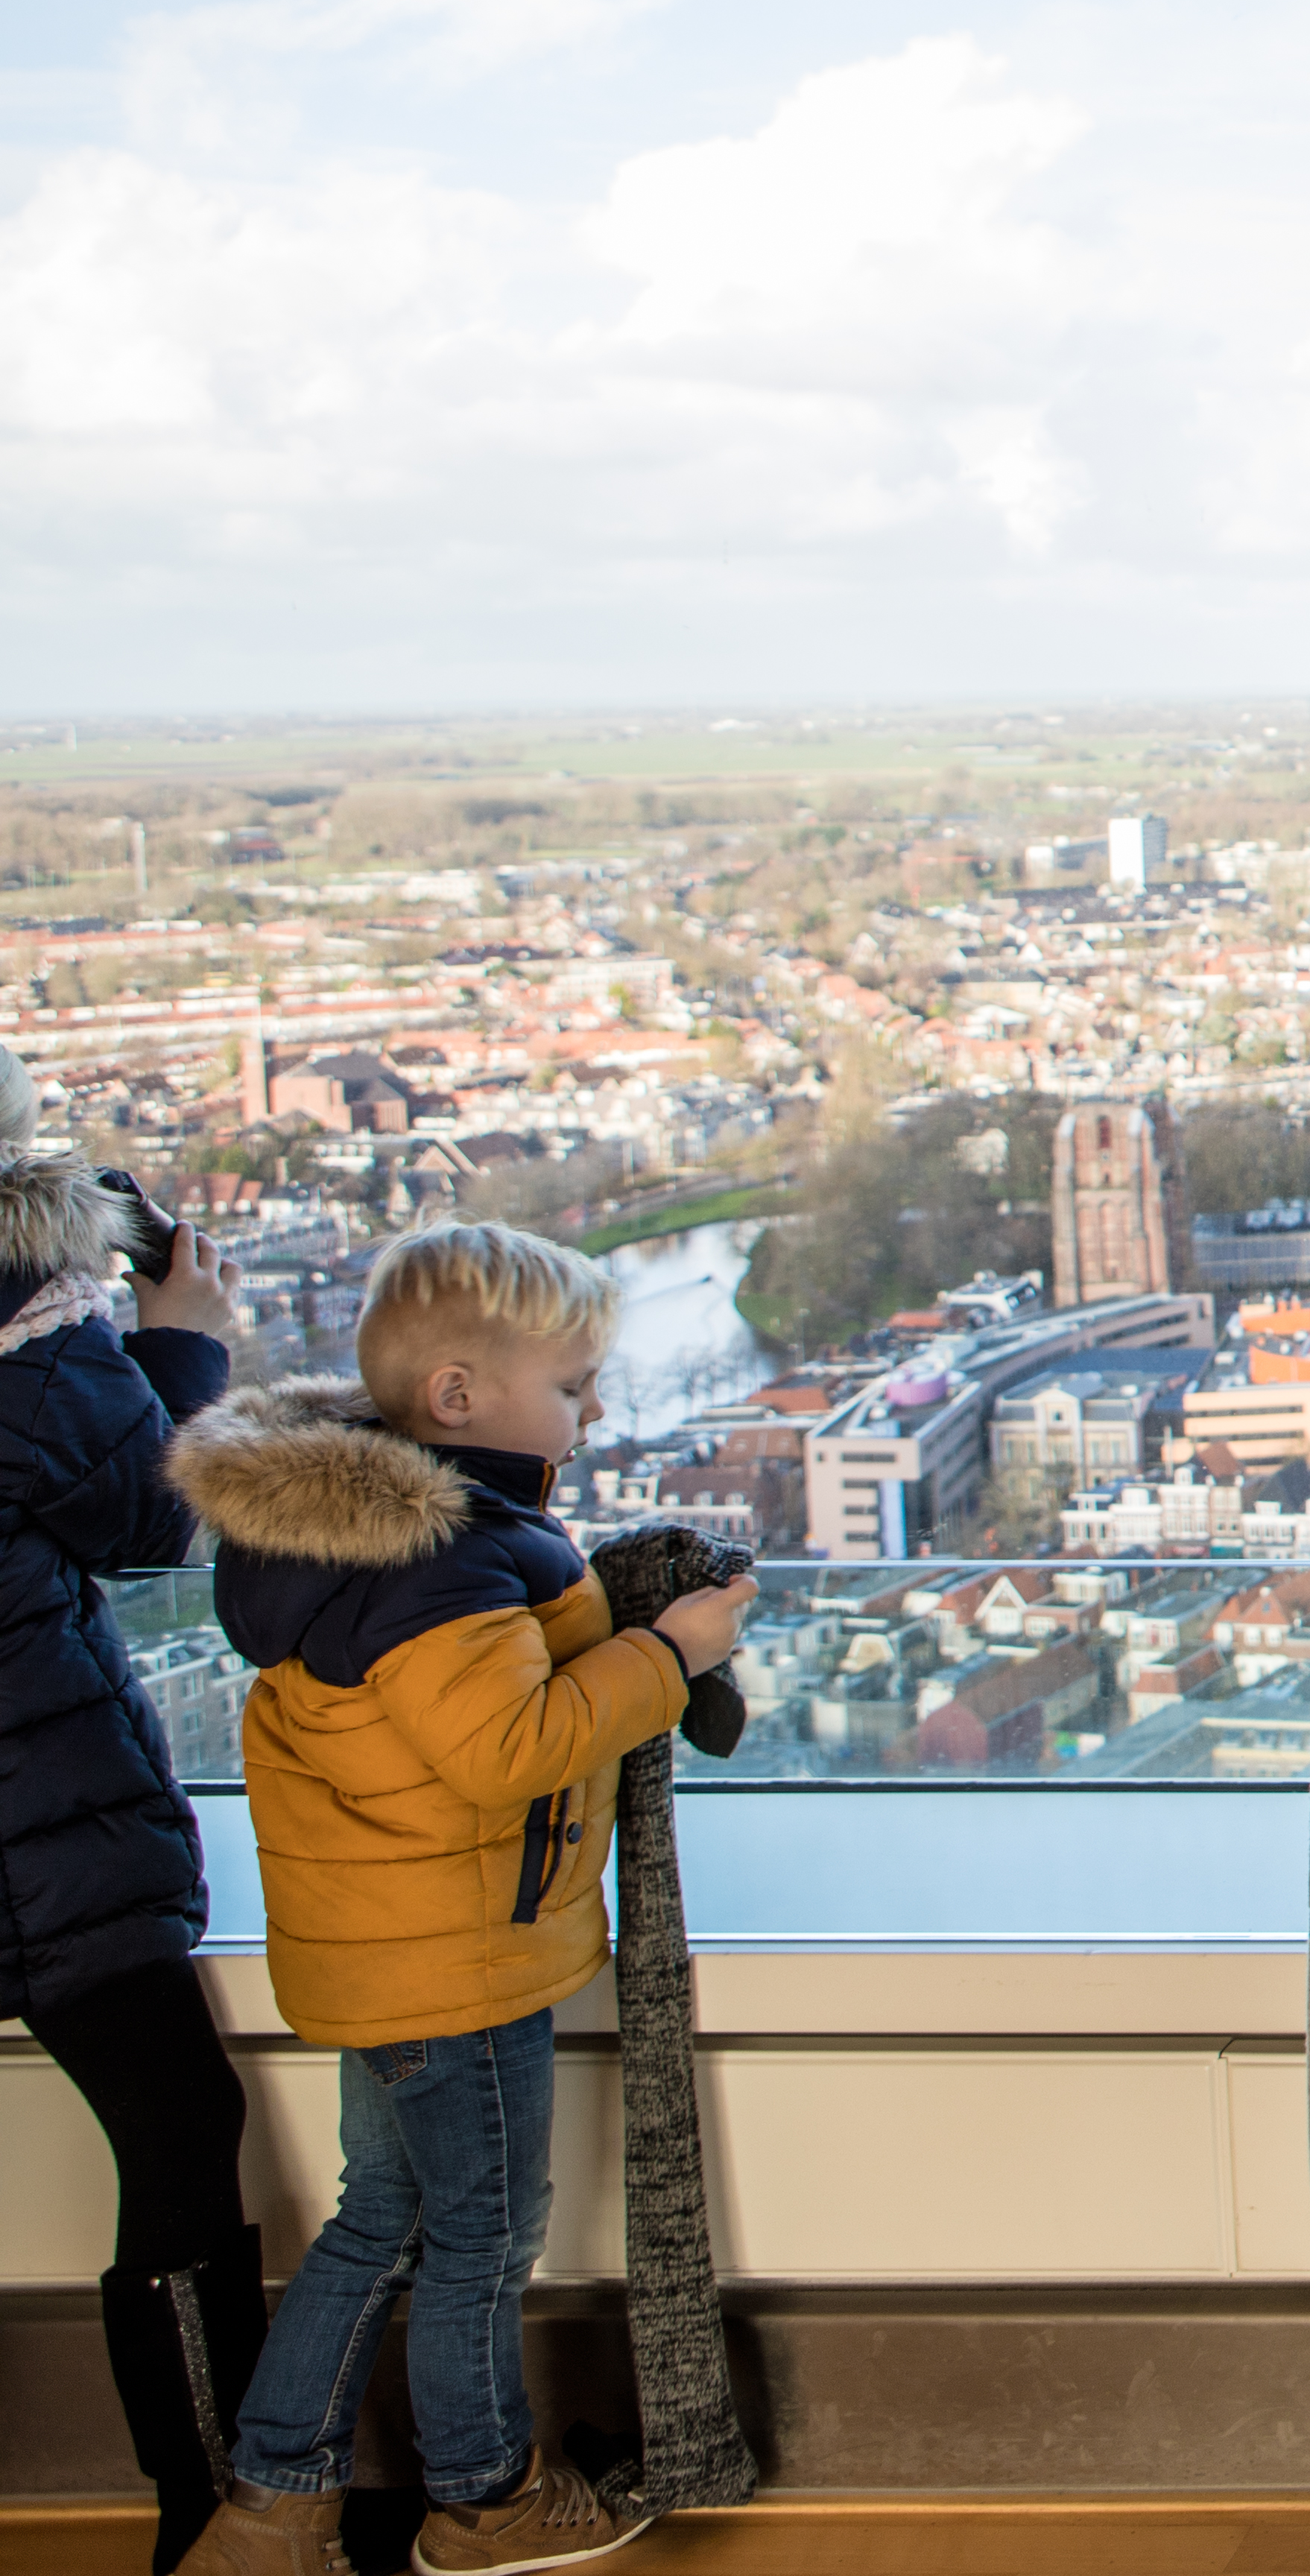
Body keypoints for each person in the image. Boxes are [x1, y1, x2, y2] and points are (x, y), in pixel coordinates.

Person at [168, 1222, 753, 2576]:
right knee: (483, 2237)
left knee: (382, 2217)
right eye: (572, 1382)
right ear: (457, 1397)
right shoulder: (447, 1564)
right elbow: (509, 1754)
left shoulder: (348, 1545)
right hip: (461, 1959)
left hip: (386, 1950)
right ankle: (485, 2496)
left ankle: (273, 2503)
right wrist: (666, 1650)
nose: (592, 1406)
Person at [0, 1052, 256, 2572]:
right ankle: (217, 2513)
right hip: (35, 1817)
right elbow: (153, 1511)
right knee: (179, 2124)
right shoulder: (25, 1321)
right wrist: (185, 1347)